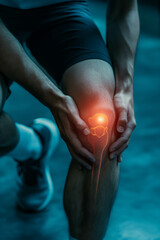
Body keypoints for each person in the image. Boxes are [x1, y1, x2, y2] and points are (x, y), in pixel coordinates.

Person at [0, 0, 139, 239]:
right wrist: (53, 98)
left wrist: (125, 88)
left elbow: (123, 8)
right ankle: (32, 147)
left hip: (62, 10)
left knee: (102, 123)